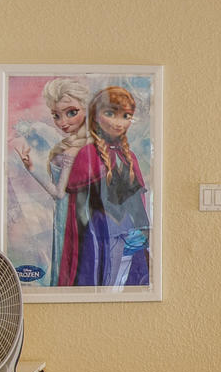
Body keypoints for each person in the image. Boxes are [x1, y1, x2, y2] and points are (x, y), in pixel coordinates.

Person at [57, 83, 152, 289]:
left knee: (126, 281)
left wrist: (144, 233)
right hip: (100, 236)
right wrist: (90, 241)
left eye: (125, 116)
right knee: (105, 282)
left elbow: (137, 203)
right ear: (97, 116)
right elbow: (78, 210)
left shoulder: (130, 157)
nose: (118, 123)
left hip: (129, 235)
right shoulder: (87, 155)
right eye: (111, 113)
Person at [12, 77, 93, 274]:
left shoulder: (80, 150)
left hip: (77, 220)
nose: (63, 122)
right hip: (72, 219)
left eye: (71, 113)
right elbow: (58, 195)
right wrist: (31, 168)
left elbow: (58, 194)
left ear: (87, 109)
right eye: (56, 115)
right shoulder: (74, 149)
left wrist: (32, 170)